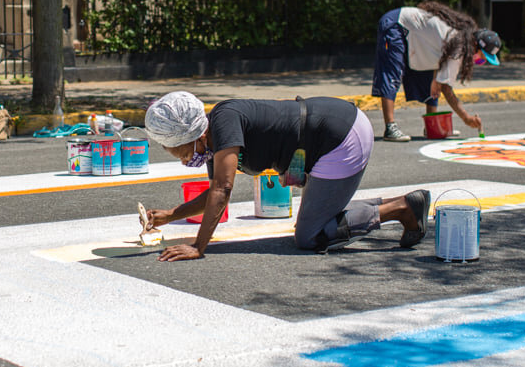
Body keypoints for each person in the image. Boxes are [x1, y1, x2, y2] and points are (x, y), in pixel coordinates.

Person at [140, 91, 431, 261]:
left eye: (173, 149)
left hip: (340, 137)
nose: (178, 157)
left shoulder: (224, 122)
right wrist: (170, 215)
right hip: (323, 139)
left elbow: (223, 190)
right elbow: (215, 193)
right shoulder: (215, 135)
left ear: (187, 135)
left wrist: (197, 246)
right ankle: (399, 204)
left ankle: (401, 208)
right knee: (315, 220)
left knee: (310, 236)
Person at [371, 1, 503, 142]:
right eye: (480, 58)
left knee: (433, 79)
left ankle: (432, 128)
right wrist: (466, 118)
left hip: (411, 32)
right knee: (392, 73)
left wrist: (436, 79)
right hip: (396, 25)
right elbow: (447, 88)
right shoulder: (458, 46)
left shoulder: (461, 38)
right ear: (475, 45)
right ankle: (390, 127)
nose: (478, 62)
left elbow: (440, 71)